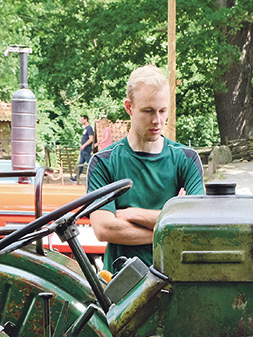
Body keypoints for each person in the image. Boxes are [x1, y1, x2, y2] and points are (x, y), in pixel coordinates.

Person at [88, 65, 205, 271]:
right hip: (120, 284)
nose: (157, 120)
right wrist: (172, 226)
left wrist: (132, 213)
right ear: (129, 107)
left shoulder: (186, 159)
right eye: (148, 111)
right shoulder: (104, 162)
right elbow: (103, 228)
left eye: (162, 111)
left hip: (174, 280)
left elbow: (197, 226)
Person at [75, 114, 95, 183]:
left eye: (82, 119)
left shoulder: (89, 128)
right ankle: (76, 177)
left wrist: (84, 145)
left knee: (89, 163)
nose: (81, 121)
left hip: (86, 149)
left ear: (86, 120)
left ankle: (94, 175)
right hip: (83, 149)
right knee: (81, 163)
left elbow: (91, 139)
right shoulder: (85, 128)